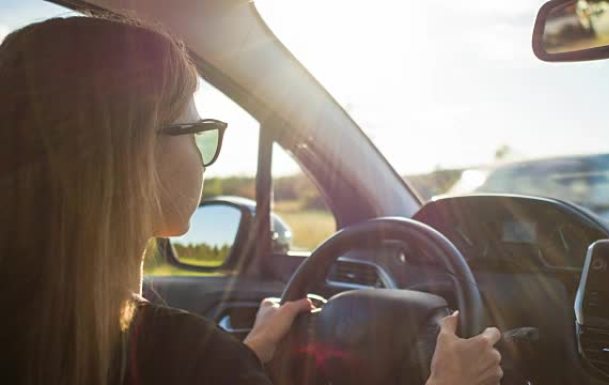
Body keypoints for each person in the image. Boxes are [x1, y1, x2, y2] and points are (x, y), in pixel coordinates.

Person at [0, 16, 503, 385]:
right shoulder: (184, 355)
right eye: (199, 131)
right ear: (132, 160)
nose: (204, 157)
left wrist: (248, 355)